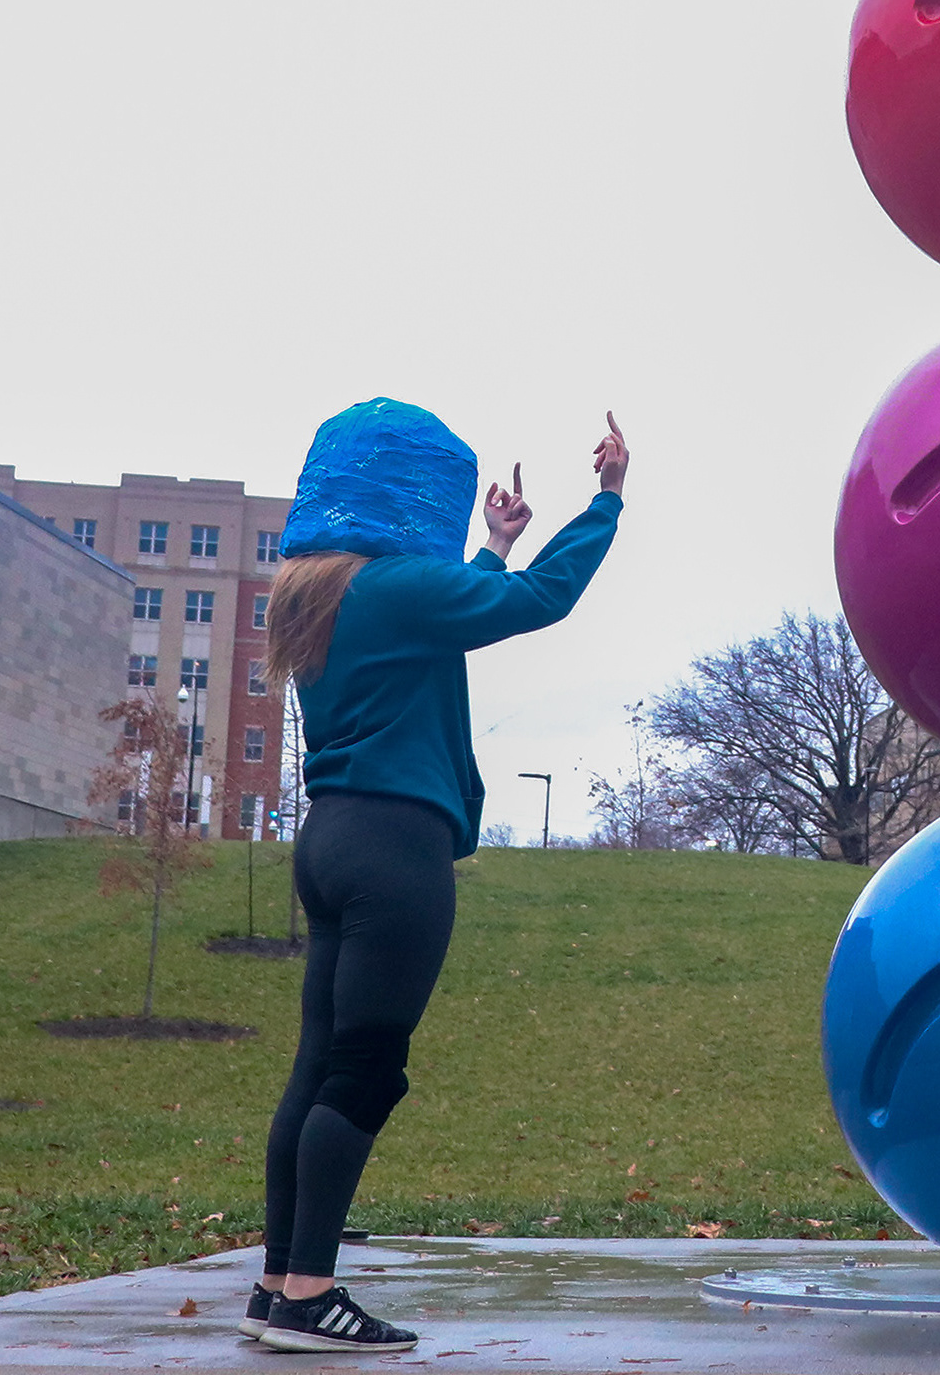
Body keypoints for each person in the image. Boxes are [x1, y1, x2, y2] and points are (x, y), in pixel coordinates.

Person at [246, 398, 629, 1353]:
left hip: (330, 838)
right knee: (367, 1072)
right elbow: (540, 601)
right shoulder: (397, 587)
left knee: (317, 1066)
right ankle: (310, 1298)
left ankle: (276, 1286)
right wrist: (607, 500)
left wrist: (493, 546)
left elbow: (446, 612)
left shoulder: (316, 594)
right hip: (396, 848)